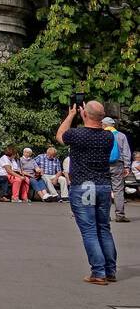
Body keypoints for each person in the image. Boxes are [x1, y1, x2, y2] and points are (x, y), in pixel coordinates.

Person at [58, 100, 118, 285]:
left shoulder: (77, 134)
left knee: (90, 230)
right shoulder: (108, 137)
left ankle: (98, 272)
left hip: (84, 187)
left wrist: (71, 115)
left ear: (85, 114)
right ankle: (109, 270)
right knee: (104, 228)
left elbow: (60, 135)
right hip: (103, 186)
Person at [103, 117, 131, 223]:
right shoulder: (121, 136)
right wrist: (127, 166)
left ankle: (105, 215)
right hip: (117, 164)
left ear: (104, 125)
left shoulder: (101, 135)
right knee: (118, 190)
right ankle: (120, 215)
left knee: (104, 189)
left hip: (103, 165)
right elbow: (126, 152)